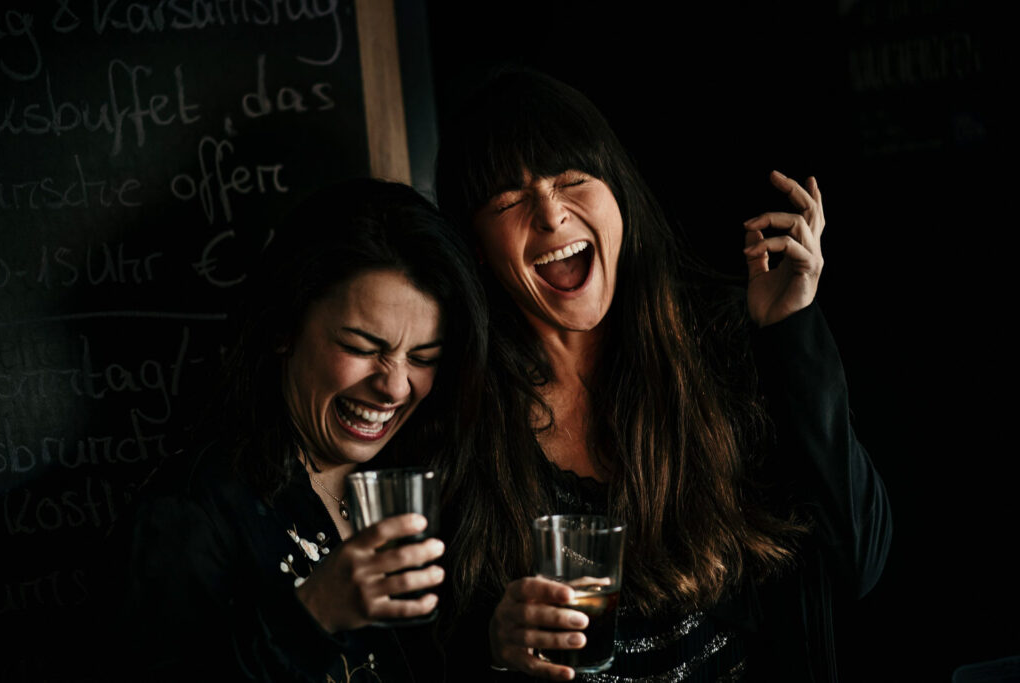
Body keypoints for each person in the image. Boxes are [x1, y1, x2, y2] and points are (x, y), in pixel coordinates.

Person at [433, 68, 892, 682]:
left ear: (617, 197)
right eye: (508, 201)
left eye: (573, 179)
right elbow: (416, 648)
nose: (550, 214)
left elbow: (857, 558)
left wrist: (791, 332)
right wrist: (491, 646)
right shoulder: (455, 410)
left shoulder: (721, 347)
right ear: (476, 246)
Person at [105, 178, 487, 682]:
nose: (395, 387)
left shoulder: (427, 476)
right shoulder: (191, 510)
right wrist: (312, 616)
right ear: (284, 326)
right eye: (361, 347)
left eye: (423, 358)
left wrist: (496, 647)